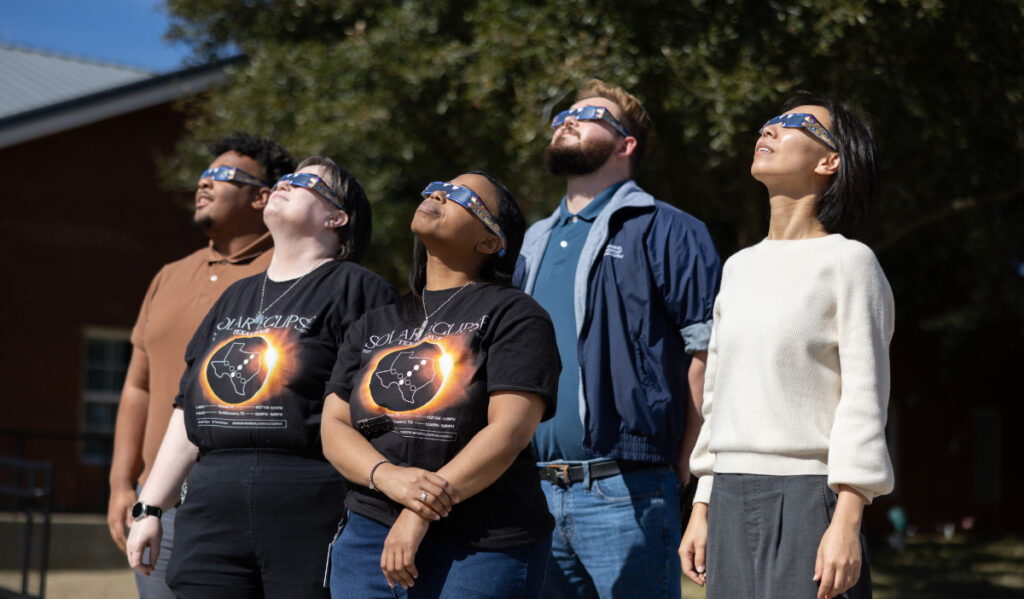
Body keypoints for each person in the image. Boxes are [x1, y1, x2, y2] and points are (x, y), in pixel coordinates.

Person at [126, 156, 396, 599]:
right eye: (286, 178)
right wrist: (150, 506)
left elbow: (384, 410)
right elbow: (188, 410)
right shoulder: (234, 297)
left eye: (306, 181)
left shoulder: (359, 289)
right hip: (212, 510)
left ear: (336, 217)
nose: (285, 183)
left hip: (311, 504)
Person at [679, 92, 895, 599]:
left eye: (793, 124)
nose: (768, 131)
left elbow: (865, 401)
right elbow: (718, 399)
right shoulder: (737, 267)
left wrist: (846, 520)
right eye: (768, 123)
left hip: (809, 499)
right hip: (729, 495)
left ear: (829, 161)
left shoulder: (849, 263)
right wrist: (703, 504)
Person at [513, 79, 721, 598]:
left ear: (625, 144)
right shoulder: (530, 241)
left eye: (590, 114)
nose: (569, 117)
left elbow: (707, 352)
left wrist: (686, 461)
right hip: (531, 491)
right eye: (566, 111)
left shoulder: (670, 228)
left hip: (627, 490)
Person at [321, 171, 560, 598]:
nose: (437, 194)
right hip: (367, 538)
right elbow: (334, 426)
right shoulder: (376, 321)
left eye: (460, 195)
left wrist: (420, 511)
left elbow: (508, 432)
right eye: (435, 187)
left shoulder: (516, 315)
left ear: (490, 242)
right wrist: (389, 478)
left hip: (479, 546)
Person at [108, 132, 295, 599]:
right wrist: (121, 484)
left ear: (262, 197)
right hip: (160, 506)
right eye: (203, 174)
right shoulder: (169, 275)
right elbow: (138, 387)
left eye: (222, 175)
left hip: (244, 503)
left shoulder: (292, 272)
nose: (203, 183)